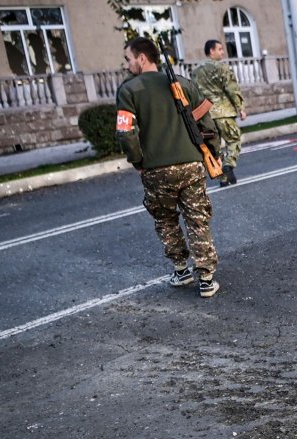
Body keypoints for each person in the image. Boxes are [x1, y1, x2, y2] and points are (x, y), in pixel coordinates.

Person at [115, 37, 222, 298]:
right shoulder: (183, 83)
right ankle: (206, 279)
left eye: (128, 59)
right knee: (197, 219)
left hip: (156, 169)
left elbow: (126, 133)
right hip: (191, 164)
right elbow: (207, 124)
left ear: (142, 58)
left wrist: (138, 161)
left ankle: (181, 270)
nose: (127, 65)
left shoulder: (129, 90)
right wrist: (214, 153)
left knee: (165, 219)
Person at [191, 39, 246, 187]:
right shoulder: (222, 67)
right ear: (211, 51)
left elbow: (194, 94)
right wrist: (240, 108)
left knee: (215, 147)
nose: (222, 52)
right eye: (220, 49)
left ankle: (223, 178)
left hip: (206, 115)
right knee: (234, 140)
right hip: (224, 112)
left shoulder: (195, 72)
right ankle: (228, 165)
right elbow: (232, 89)